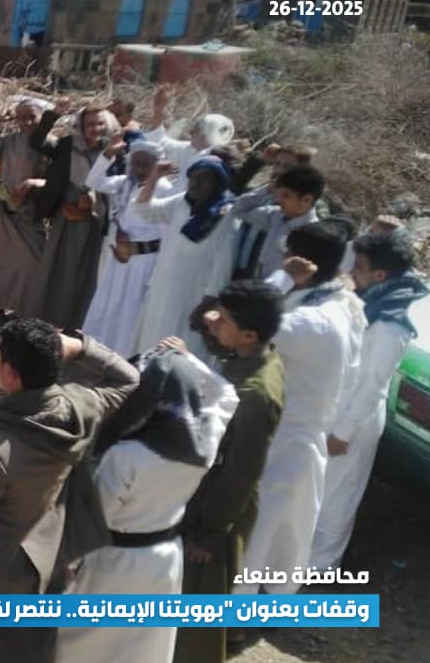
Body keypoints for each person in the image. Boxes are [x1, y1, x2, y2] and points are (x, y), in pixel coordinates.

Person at [0, 318, 139, 663]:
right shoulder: (79, 407)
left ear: (11, 373)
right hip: (49, 563)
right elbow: (128, 378)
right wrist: (80, 347)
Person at [57, 347, 237, 663]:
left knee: (83, 644)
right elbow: (226, 395)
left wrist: (67, 565)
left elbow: (94, 519)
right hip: (164, 561)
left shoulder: (125, 456)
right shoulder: (203, 449)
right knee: (143, 647)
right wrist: (187, 360)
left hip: (113, 562)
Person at [235, 219, 366, 596]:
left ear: (301, 263)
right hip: (302, 434)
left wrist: (282, 278)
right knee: (284, 536)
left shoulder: (309, 321)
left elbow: (243, 323)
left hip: (281, 439)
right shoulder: (342, 305)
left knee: (254, 532)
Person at [173, 280, 286, 663]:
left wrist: (209, 533)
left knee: (195, 608)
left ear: (249, 334)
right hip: (212, 499)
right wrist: (211, 328)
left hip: (217, 511)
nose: (214, 322)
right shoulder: (257, 355)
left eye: (223, 319)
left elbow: (241, 471)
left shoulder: (256, 394)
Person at [311, 230, 429, 570]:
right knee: (318, 491)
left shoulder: (392, 326)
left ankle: (319, 568)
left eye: (359, 267)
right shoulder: (373, 303)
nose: (352, 272)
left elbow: (374, 385)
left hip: (354, 423)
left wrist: (344, 432)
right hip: (337, 408)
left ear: (379, 274)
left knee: (337, 499)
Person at [131, 153, 241, 361]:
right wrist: (154, 177)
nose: (196, 183)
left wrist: (208, 302)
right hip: (164, 289)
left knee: (180, 349)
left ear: (218, 183)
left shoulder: (226, 213)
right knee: (152, 342)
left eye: (204, 178)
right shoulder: (182, 203)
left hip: (194, 296)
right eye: (193, 177)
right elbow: (143, 209)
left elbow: (223, 264)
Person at [26, 99, 121, 330]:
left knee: (89, 271)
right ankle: (53, 318)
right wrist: (53, 114)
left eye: (100, 123)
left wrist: (93, 204)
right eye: (90, 124)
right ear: (81, 125)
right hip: (68, 214)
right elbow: (37, 142)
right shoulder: (68, 145)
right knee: (62, 267)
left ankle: (80, 323)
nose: (95, 129)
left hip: (99, 216)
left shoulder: (114, 149)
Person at [80, 136, 172, 356]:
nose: (139, 169)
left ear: (155, 166)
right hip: (118, 256)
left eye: (146, 164)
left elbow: (166, 234)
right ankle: (95, 352)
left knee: (129, 312)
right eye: (136, 163)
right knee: (108, 304)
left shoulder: (164, 190)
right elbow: (93, 181)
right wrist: (107, 155)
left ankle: (122, 357)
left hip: (144, 262)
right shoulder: (124, 183)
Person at [0, 99, 49, 317]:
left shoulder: (49, 143)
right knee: (1, 260)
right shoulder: (9, 141)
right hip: (4, 206)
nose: (26, 122)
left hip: (31, 209)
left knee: (33, 261)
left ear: (42, 117)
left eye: (31, 117)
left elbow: (55, 177)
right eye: (21, 117)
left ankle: (26, 307)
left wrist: (35, 185)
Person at [231, 164, 324, 280]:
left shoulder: (314, 235)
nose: (278, 200)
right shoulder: (275, 216)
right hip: (257, 283)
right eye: (279, 194)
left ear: (306, 200)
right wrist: (267, 190)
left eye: (286, 196)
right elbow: (238, 210)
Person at [143, 85, 235, 194]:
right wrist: (158, 111)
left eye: (197, 129)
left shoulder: (217, 163)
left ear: (207, 134)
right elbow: (159, 143)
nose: (191, 132)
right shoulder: (191, 149)